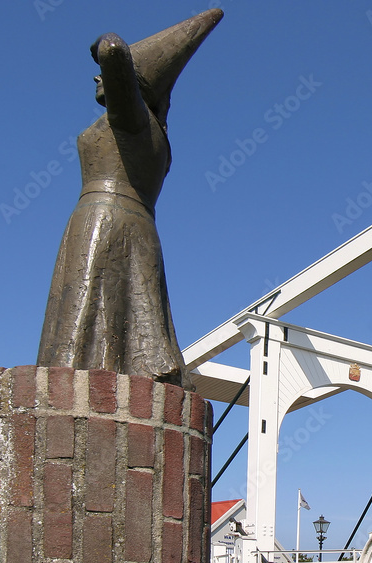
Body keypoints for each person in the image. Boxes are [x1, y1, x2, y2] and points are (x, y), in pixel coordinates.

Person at [37, 10, 223, 387]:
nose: (95, 76)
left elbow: (112, 49)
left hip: (103, 218)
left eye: (104, 75)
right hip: (135, 225)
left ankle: (72, 389)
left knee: (81, 324)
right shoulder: (154, 134)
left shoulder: (132, 119)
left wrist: (105, 44)